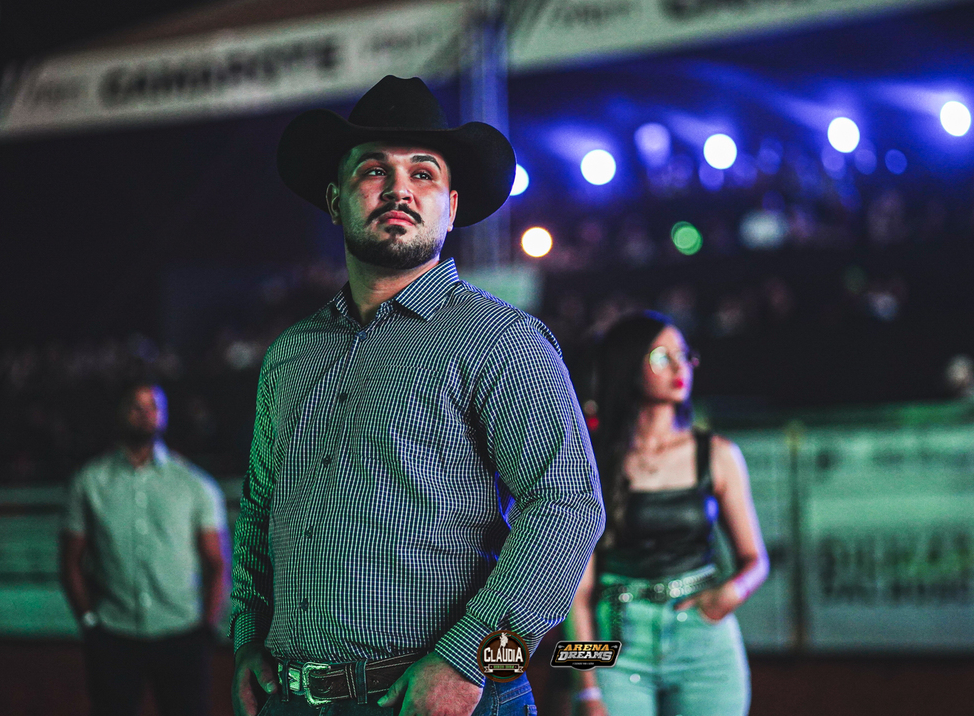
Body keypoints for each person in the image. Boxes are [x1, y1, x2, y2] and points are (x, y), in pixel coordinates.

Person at [230, 76, 604, 716]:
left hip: (445, 697)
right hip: (294, 698)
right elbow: (259, 510)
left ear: (451, 207)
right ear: (335, 201)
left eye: (422, 173)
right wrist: (246, 638)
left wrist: (471, 659)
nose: (399, 189)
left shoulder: (500, 338)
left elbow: (568, 507)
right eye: (374, 170)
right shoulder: (291, 355)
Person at [568, 313, 768, 716]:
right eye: (662, 357)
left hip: (703, 639)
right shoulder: (592, 460)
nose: (680, 367)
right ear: (628, 365)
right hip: (616, 636)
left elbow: (755, 560)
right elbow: (577, 591)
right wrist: (585, 690)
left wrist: (730, 594)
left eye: (684, 355)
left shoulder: (718, 454)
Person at [60, 382, 228, 716]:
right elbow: (70, 561)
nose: (145, 413)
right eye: (136, 406)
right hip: (113, 635)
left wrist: (206, 630)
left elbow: (219, 564)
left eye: (154, 406)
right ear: (120, 412)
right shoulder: (89, 482)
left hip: (181, 635)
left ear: (165, 416)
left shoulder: (195, 485)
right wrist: (90, 622)